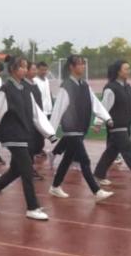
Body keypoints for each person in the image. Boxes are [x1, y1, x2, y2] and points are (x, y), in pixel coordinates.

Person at [0, 56, 56, 220]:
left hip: (25, 134)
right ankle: (32, 207)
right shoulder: (6, 90)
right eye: (22, 67)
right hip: (12, 135)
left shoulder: (26, 89)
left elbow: (36, 113)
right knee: (27, 169)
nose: (25, 70)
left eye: (26, 67)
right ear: (13, 69)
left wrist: (49, 133)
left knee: (16, 170)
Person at [47, 55, 114, 203]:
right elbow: (58, 109)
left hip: (81, 128)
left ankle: (55, 186)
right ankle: (96, 191)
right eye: (79, 64)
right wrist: (50, 132)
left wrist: (106, 117)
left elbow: (95, 103)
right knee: (85, 160)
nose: (83, 66)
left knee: (67, 159)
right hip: (71, 129)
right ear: (71, 67)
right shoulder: (66, 86)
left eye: (84, 64)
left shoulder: (85, 85)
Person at [92, 61, 131, 190]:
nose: (129, 71)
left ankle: (98, 174)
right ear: (118, 71)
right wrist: (98, 123)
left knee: (112, 151)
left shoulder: (127, 87)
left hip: (126, 125)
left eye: (129, 68)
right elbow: (104, 107)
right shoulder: (111, 88)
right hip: (116, 125)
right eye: (126, 69)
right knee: (129, 151)